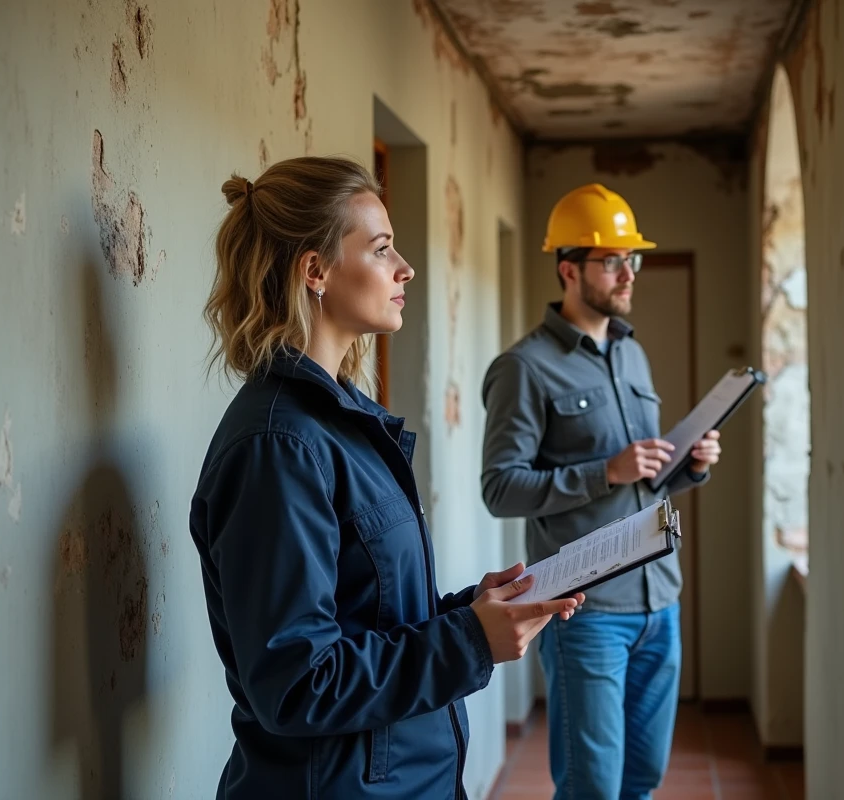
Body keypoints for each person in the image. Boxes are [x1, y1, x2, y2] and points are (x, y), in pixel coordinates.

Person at [190, 155, 583, 800]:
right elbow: (297, 684)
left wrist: (473, 611)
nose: (405, 268)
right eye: (380, 248)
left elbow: (364, 616)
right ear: (315, 271)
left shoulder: (340, 423)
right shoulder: (277, 445)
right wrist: (469, 641)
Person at [480, 183, 724, 800]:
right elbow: (500, 488)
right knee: (592, 787)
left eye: (632, 259)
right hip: (586, 612)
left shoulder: (632, 353)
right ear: (569, 269)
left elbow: (643, 474)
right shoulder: (524, 367)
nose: (628, 273)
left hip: (660, 600)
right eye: (612, 260)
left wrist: (688, 465)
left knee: (642, 780)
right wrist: (602, 473)